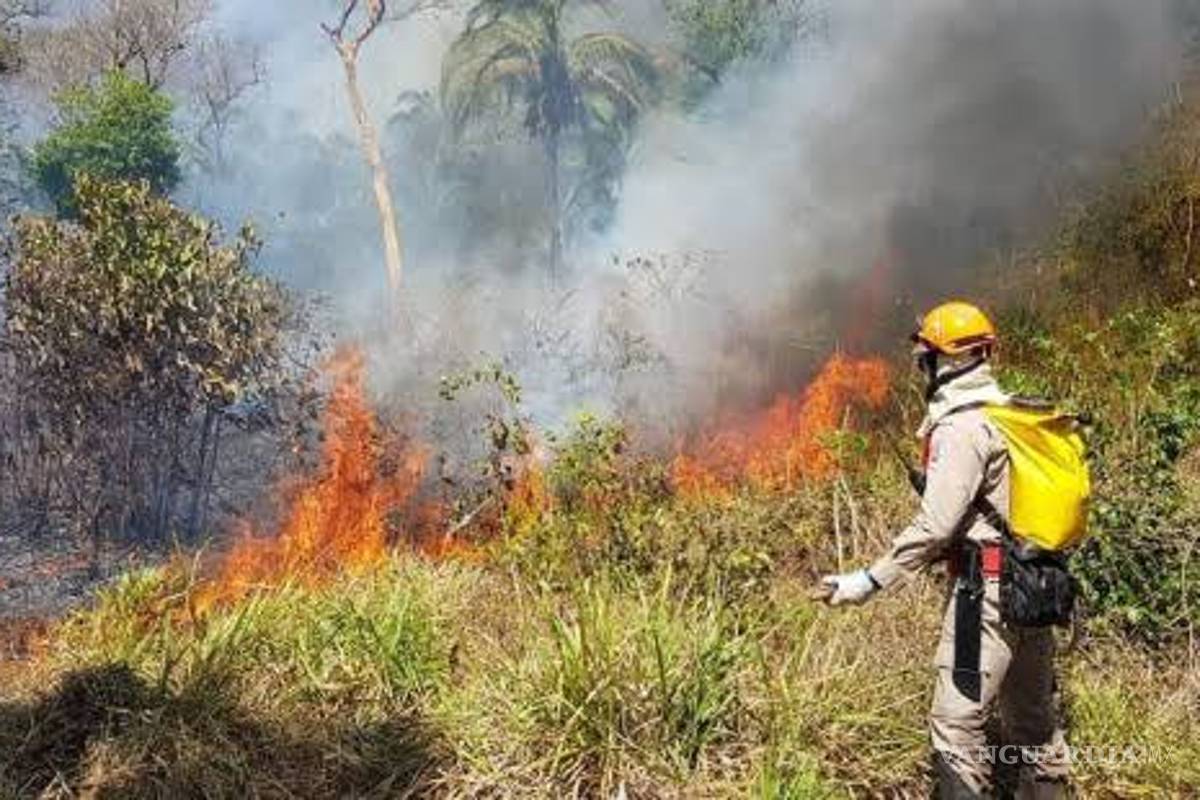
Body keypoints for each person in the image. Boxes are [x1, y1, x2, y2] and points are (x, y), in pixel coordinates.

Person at [820, 301, 1069, 800]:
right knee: (1035, 724)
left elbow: (935, 526)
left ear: (944, 361)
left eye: (925, 358)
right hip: (1039, 586)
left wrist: (869, 580)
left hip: (989, 594)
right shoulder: (1015, 413)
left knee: (955, 727)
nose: (921, 368)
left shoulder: (961, 427)